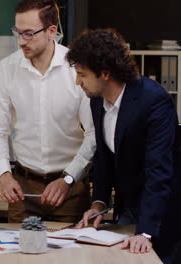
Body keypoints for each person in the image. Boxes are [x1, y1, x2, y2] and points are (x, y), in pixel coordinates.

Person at [66, 29, 178, 257]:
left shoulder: (154, 101)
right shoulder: (97, 101)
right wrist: (98, 205)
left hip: (161, 212)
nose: (78, 82)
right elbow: (105, 160)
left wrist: (146, 232)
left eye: (82, 74)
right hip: (127, 206)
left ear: (105, 73)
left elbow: (158, 172)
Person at [0, 0, 95, 223]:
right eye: (17, 32)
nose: (21, 41)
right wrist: (5, 176)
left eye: (28, 34)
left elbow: (93, 134)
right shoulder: (6, 70)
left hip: (70, 188)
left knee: (69, 256)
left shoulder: (77, 68)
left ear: (51, 31)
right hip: (23, 187)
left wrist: (68, 179)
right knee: (18, 257)